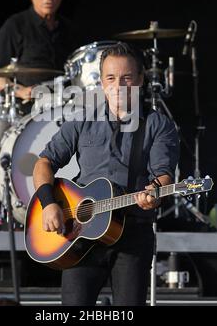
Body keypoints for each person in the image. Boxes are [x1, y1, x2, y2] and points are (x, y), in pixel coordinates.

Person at [33, 42, 179, 306]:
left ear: (141, 80)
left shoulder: (158, 125)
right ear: (101, 82)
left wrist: (154, 193)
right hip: (80, 231)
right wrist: (48, 203)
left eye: (127, 78)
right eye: (111, 78)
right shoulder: (81, 121)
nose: (119, 85)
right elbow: (44, 163)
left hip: (132, 231)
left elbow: (164, 175)